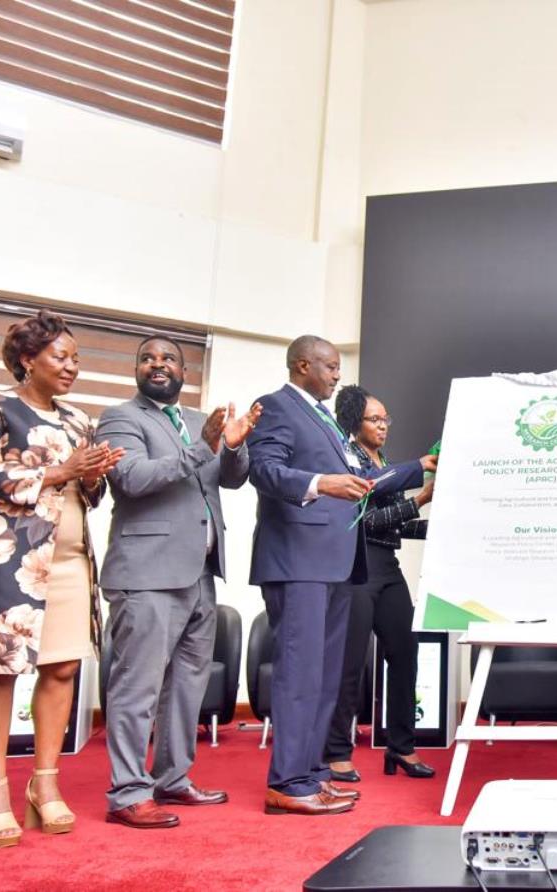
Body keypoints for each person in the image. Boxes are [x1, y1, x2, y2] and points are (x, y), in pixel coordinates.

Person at [0, 310, 123, 847]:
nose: (71, 367)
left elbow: (90, 496)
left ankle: (44, 786)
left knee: (62, 668)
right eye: (60, 357)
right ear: (27, 360)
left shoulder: (78, 420)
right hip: (1, 557)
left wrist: (91, 477)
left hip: (68, 561)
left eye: (76, 359)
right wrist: (60, 471)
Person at [96, 336, 261, 829]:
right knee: (137, 686)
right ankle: (128, 791)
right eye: (147, 357)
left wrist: (232, 445)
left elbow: (231, 479)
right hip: (147, 573)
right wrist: (202, 447)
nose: (158, 364)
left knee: (187, 686)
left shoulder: (195, 421)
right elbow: (133, 478)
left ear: (185, 370)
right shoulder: (121, 418)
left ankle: (173, 778)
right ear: (137, 369)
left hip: (200, 574)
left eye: (169, 358)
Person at [247, 335, 374, 816]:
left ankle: (312, 773)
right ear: (303, 365)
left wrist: (415, 470)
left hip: (334, 561)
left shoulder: (323, 417)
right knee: (300, 674)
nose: (338, 375)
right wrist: (320, 483)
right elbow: (265, 470)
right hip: (297, 559)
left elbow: (353, 479)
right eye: (331, 366)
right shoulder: (276, 406)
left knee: (323, 676)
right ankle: (286, 782)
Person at [323, 385, 436, 782]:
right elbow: (364, 520)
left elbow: (396, 523)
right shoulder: (348, 459)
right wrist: (419, 499)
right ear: (355, 421)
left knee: (406, 654)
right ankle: (336, 750)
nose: (384, 425)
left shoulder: (382, 460)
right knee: (350, 662)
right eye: (375, 419)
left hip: (388, 567)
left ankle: (402, 747)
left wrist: (440, 525)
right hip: (356, 566)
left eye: (386, 418)